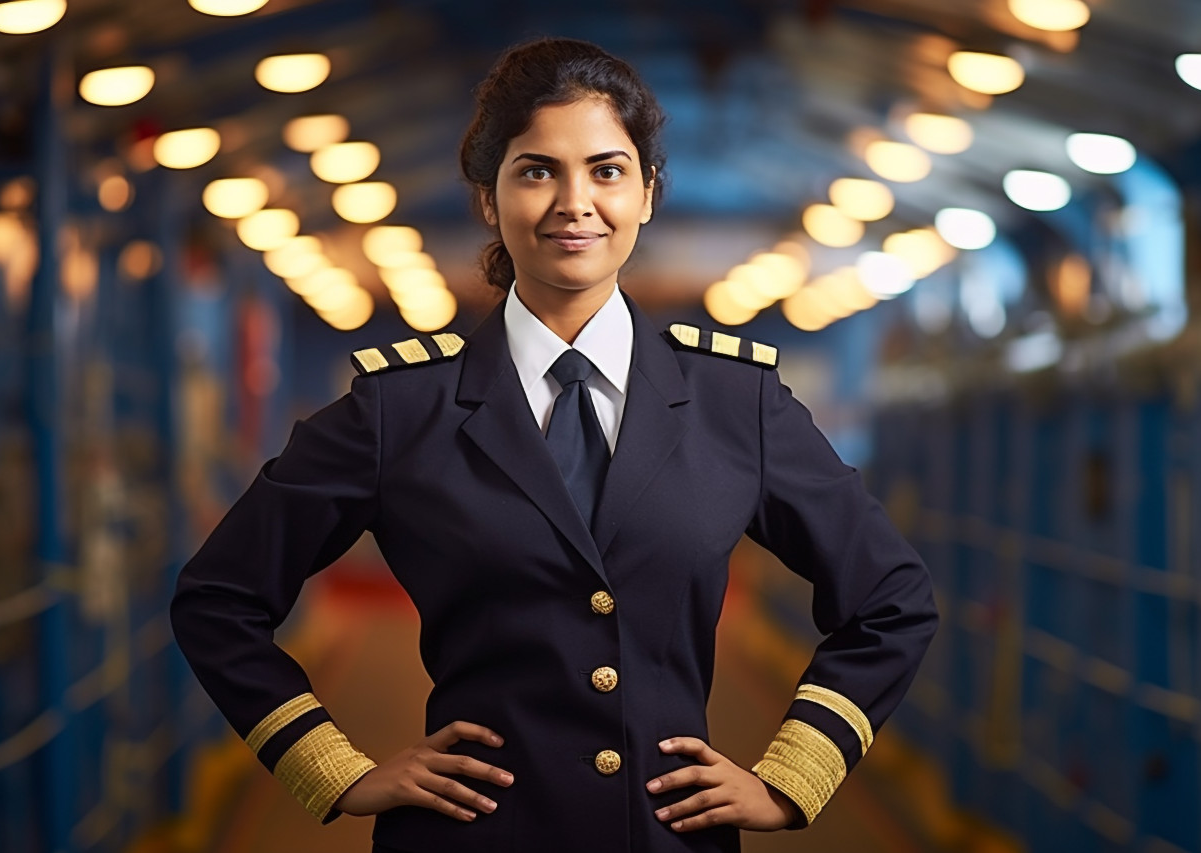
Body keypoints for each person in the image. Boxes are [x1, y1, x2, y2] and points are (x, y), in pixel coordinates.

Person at [170, 37, 938, 853]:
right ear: (489, 199)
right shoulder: (401, 410)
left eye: (607, 171)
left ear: (647, 192)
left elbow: (890, 600)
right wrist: (334, 768)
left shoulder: (734, 403)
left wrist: (791, 778)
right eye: (537, 170)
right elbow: (218, 599)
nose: (576, 202)